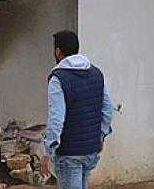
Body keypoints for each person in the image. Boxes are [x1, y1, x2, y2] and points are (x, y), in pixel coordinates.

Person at [40, 30, 114, 189]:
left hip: (69, 152)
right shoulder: (96, 73)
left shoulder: (58, 78)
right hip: (90, 149)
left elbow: (56, 119)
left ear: (58, 51)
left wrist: (47, 152)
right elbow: (108, 108)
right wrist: (101, 135)